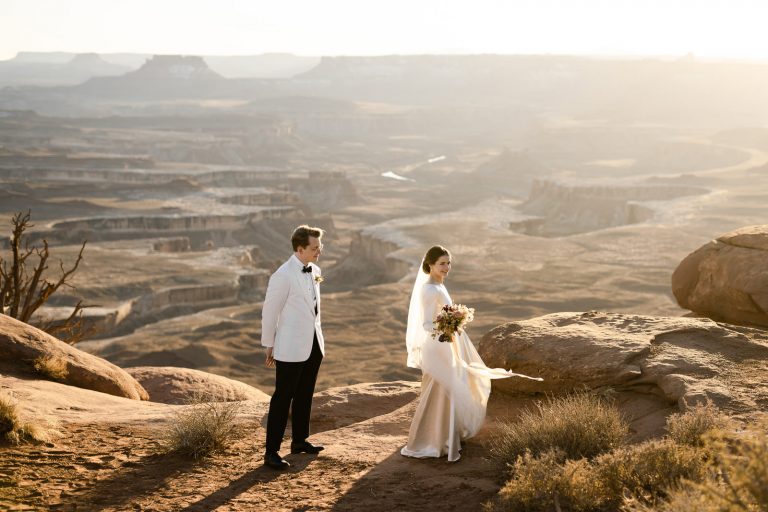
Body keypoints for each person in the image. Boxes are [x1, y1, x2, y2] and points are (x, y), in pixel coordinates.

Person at [401, 245, 541, 462]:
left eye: (449, 263)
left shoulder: (437, 285)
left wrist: (453, 321)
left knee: (449, 388)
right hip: (438, 345)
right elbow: (427, 324)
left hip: (446, 342)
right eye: (442, 263)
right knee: (444, 388)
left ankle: (445, 436)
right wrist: (449, 324)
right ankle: (432, 441)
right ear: (430, 265)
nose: (447, 267)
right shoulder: (429, 289)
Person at [261, 225, 326, 470]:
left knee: (305, 393)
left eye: (320, 247)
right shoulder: (283, 275)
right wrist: (269, 344)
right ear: (300, 249)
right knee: (282, 398)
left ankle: (300, 441)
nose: (319, 251)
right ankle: (271, 452)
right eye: (314, 248)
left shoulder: (315, 269)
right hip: (289, 346)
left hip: (313, 344)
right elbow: (270, 311)